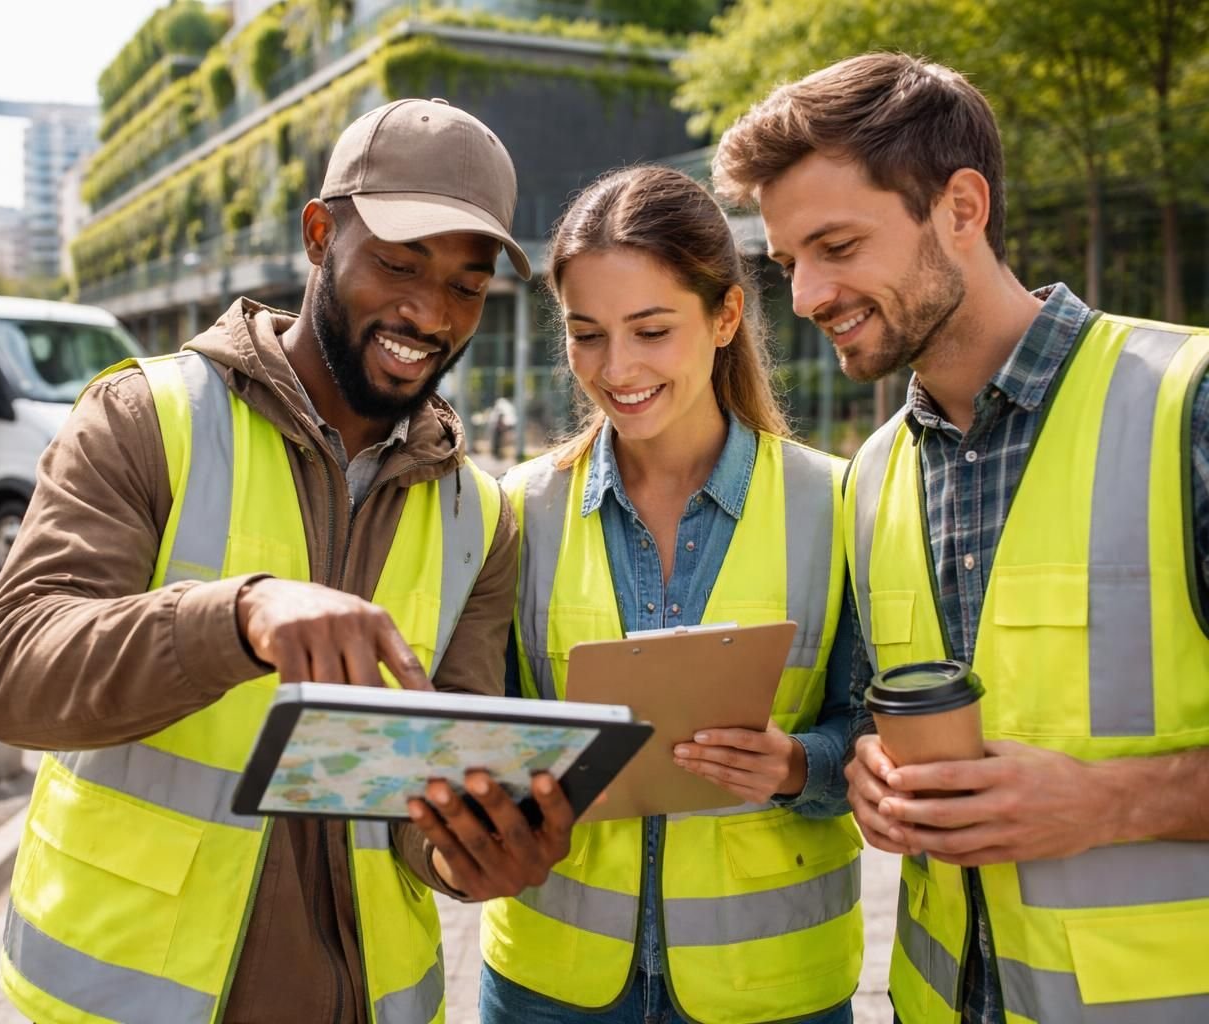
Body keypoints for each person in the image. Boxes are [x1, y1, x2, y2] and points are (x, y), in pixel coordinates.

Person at [0, 98, 579, 1024]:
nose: (428, 311)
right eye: (399, 263)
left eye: (466, 284)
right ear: (320, 233)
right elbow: (13, 675)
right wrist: (236, 615)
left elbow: (430, 791)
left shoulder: (481, 516)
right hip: (125, 1000)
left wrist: (468, 853)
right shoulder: (147, 419)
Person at [714, 52, 1209, 1024]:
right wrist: (869, 772)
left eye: (838, 245)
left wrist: (1117, 802)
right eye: (787, 264)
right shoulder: (877, 474)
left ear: (963, 208)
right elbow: (880, 719)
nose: (808, 294)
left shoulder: (1186, 405)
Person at [470, 165, 863, 1024]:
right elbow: (478, 723)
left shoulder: (839, 504)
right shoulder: (516, 509)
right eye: (587, 334)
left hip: (773, 991)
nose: (617, 369)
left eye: (651, 330)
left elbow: (874, 735)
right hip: (552, 984)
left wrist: (800, 766)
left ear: (726, 315)